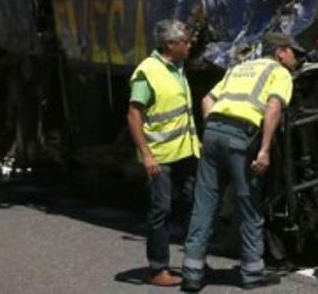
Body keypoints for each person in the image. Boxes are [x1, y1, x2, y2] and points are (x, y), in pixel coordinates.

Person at [181, 32, 304, 292]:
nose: (297, 58)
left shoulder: (239, 68)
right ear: (281, 52)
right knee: (248, 204)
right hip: (241, 138)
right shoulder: (280, 73)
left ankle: (192, 272)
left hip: (213, 133)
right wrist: (265, 149)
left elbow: (206, 100)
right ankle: (251, 273)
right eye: (295, 52)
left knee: (204, 204)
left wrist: (213, 129)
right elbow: (273, 107)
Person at [127, 19, 201, 287]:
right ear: (170, 44)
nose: (190, 45)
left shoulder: (177, 67)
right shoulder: (148, 71)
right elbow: (134, 115)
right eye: (186, 41)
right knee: (161, 210)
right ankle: (158, 268)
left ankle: (193, 263)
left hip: (185, 152)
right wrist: (146, 155)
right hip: (160, 157)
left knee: (195, 204)